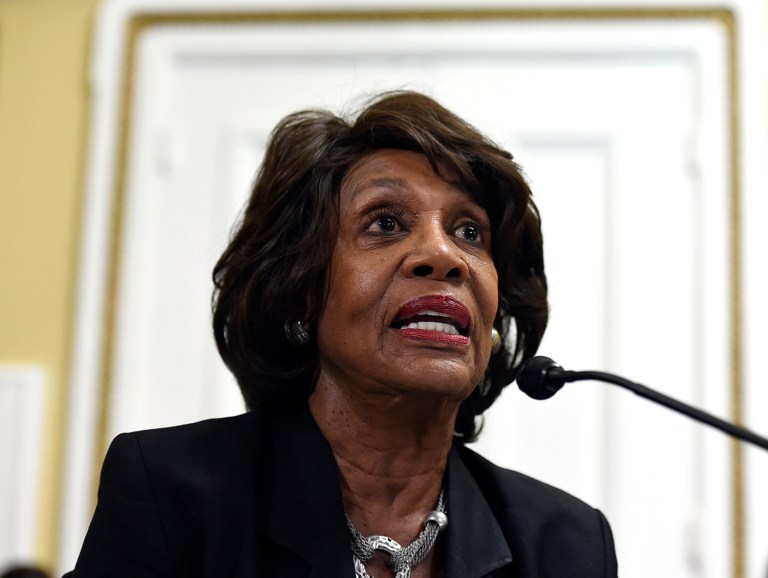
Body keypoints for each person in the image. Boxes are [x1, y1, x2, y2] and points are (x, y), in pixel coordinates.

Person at [66, 91, 618, 577]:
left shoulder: (565, 544)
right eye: (385, 223)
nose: (444, 256)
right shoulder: (177, 496)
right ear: (302, 292)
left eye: (469, 231)